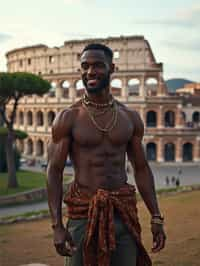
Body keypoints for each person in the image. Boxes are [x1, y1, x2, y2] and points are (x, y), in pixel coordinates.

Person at [47, 43, 166, 266]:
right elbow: (54, 171)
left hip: (123, 213)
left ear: (112, 68)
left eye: (98, 65)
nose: (90, 71)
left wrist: (156, 215)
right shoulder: (68, 118)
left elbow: (141, 168)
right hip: (83, 214)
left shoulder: (129, 118)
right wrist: (57, 225)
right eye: (85, 66)